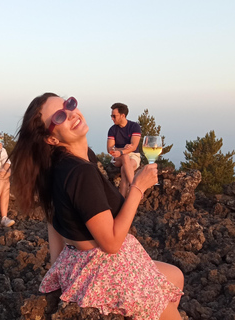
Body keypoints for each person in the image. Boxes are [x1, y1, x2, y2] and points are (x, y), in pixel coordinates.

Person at [10, 93, 184, 319]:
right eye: (60, 117)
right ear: (51, 139)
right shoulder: (80, 172)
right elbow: (111, 243)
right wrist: (138, 188)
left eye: (68, 105)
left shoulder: (68, 160)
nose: (71, 114)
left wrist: (57, 268)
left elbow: (53, 218)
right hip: (104, 267)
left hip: (79, 262)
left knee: (175, 276)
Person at [107, 102, 142, 197]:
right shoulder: (112, 130)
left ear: (123, 115)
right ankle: (135, 187)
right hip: (117, 158)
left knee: (124, 170)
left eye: (114, 116)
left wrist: (120, 151)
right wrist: (122, 150)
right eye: (111, 116)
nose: (112, 118)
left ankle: (121, 201)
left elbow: (134, 147)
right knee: (125, 156)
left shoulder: (134, 127)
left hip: (133, 156)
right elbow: (109, 149)